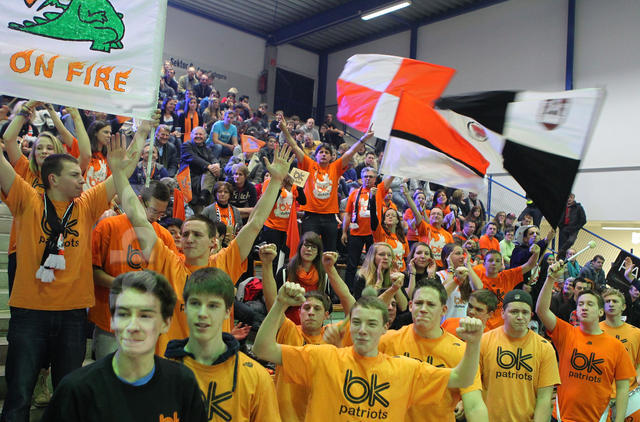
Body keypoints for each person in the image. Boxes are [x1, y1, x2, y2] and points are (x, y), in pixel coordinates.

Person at [0, 118, 152, 420]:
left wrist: (144, 133)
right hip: (30, 313)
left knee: (69, 395)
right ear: (53, 179)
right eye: (74, 175)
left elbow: (122, 172)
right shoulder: (27, 199)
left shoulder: (86, 205)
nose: (83, 180)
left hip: (72, 315)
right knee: (19, 395)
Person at [112, 139, 295, 355]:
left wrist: (275, 181)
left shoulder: (224, 263)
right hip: (174, 364)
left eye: (197, 234)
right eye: (185, 234)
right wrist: (118, 174)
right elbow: (137, 217)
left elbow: (254, 223)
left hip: (215, 366)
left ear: (213, 242)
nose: (189, 238)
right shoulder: (168, 262)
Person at [253, 282, 484, 422]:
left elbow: (462, 378)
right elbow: (262, 348)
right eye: (357, 322)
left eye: (372, 324)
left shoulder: (404, 368)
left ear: (385, 328)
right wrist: (280, 304)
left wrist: (473, 344)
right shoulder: (322, 356)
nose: (362, 330)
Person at [42, 271, 207, 421]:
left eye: (145, 316)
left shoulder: (182, 383)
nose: (132, 326)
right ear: (112, 321)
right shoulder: (76, 391)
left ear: (166, 323)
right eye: (123, 314)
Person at [164, 268, 280, 422]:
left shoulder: (257, 378)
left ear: (228, 311)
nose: (202, 313)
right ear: (185, 307)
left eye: (213, 305)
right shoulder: (162, 375)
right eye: (195, 303)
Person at [259, 244, 355, 421]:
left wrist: (330, 269)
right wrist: (266, 265)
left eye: (317, 309)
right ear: (300, 312)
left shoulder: (333, 334)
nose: (311, 312)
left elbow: (352, 308)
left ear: (326, 315)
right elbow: (272, 304)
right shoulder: (289, 330)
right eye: (306, 308)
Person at [537, 260, 636, 422]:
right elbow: (541, 310)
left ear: (600, 312)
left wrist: (618, 419)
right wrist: (550, 278)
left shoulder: (616, 346)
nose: (584, 307)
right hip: (561, 417)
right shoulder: (566, 333)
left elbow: (623, 388)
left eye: (590, 304)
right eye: (581, 304)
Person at [91, 181, 179, 360]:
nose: (157, 217)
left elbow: (170, 278)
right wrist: (122, 284)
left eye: (162, 213)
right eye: (153, 210)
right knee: (107, 372)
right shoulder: (108, 227)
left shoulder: (164, 237)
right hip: (110, 319)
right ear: (139, 201)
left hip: (147, 322)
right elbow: (92, 271)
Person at [378, 280, 489, 422]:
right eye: (419, 303)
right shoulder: (387, 341)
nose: (423, 309)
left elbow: (474, 406)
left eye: (431, 304)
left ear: (444, 310)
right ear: (411, 306)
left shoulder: (460, 351)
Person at [479, 289, 560, 422]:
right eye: (514, 312)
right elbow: (473, 387)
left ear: (531, 315)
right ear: (502, 313)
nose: (520, 317)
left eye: (525, 312)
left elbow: (544, 398)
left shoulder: (545, 348)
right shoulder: (484, 341)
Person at [473, 247, 540, 329]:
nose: (494, 263)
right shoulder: (476, 275)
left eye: (497, 261)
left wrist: (536, 253)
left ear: (501, 264)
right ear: (484, 264)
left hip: (501, 328)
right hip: (480, 326)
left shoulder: (507, 276)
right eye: (490, 260)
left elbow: (529, 265)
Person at [600, 288, 640, 421]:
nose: (611, 304)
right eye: (607, 301)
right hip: (600, 394)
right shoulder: (594, 330)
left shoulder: (636, 333)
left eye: (615, 301)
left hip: (629, 394)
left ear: (623, 307)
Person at [274, 232, 331, 324]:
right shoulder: (285, 271)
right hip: (287, 324)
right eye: (306, 245)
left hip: (313, 325)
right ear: (300, 247)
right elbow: (275, 301)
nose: (309, 249)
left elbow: (329, 305)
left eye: (313, 247)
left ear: (318, 252)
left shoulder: (324, 275)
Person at [180, 126, 220, 196]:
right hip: (189, 176)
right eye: (196, 134)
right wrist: (208, 166)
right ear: (191, 135)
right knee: (210, 173)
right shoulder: (186, 146)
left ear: (205, 137)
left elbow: (212, 158)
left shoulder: (206, 148)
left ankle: (205, 195)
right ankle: (204, 195)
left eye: (200, 134)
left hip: (203, 175)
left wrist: (216, 164)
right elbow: (193, 158)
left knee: (217, 171)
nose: (198, 136)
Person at [201, 181, 243, 246]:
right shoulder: (207, 210)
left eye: (226, 192)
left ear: (230, 195)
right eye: (220, 191)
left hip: (232, 244)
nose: (222, 194)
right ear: (215, 194)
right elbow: (202, 229)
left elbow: (239, 229)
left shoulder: (235, 211)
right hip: (213, 245)